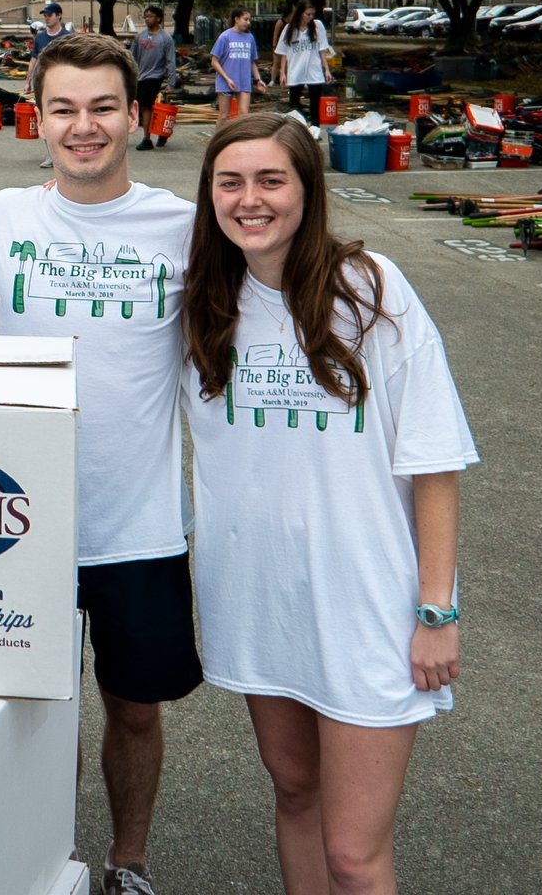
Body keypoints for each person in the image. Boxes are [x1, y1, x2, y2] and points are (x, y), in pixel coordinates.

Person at [181, 114, 475, 895]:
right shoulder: (207, 304)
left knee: (354, 852)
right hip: (258, 599)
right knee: (294, 792)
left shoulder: (370, 290)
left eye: (272, 180)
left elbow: (435, 456)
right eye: (230, 182)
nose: (251, 200)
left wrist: (436, 609)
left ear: (308, 191)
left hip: (367, 608)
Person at [0, 33, 202, 895]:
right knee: (36, 709)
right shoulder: (1, 219)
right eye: (65, 108)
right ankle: (46, 859)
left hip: (136, 522)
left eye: (104, 107)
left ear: (134, 116)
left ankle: (128, 859)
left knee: (134, 708)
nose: (85, 126)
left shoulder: (181, 227)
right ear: (39, 120)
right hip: (18, 522)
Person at [275, 0, 334, 124]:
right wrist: (282, 72)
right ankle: (296, 128)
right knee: (294, 103)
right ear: (300, 13)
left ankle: (315, 129)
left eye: (312, 14)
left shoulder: (317, 26)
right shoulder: (289, 29)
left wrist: (327, 69)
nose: (310, 17)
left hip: (314, 70)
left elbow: (322, 49)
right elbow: (283, 52)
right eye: (308, 14)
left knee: (315, 105)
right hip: (296, 70)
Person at [29, 1, 70, 167]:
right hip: (44, 84)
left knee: (65, 118)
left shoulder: (67, 37)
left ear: (59, 15)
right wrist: (28, 81)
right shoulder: (40, 37)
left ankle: (66, 154)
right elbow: (34, 59)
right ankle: (51, 155)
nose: (47, 18)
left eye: (50, 15)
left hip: (65, 84)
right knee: (46, 119)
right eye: (45, 15)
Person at [131, 5, 177, 151]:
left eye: (151, 16)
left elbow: (171, 61)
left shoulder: (165, 38)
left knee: (145, 106)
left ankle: (146, 139)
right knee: (141, 106)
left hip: (155, 76)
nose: (147, 19)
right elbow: (132, 57)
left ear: (158, 18)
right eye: (146, 16)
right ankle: (160, 132)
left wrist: (171, 82)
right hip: (140, 76)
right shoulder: (140, 36)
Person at [210, 7, 265, 118]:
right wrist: (227, 78)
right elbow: (214, 62)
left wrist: (258, 79)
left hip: (244, 82)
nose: (248, 22)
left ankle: (241, 136)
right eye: (245, 19)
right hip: (226, 83)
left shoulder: (250, 38)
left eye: (249, 20)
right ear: (237, 19)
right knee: (224, 115)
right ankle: (220, 135)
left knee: (244, 114)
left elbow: (252, 62)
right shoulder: (225, 37)